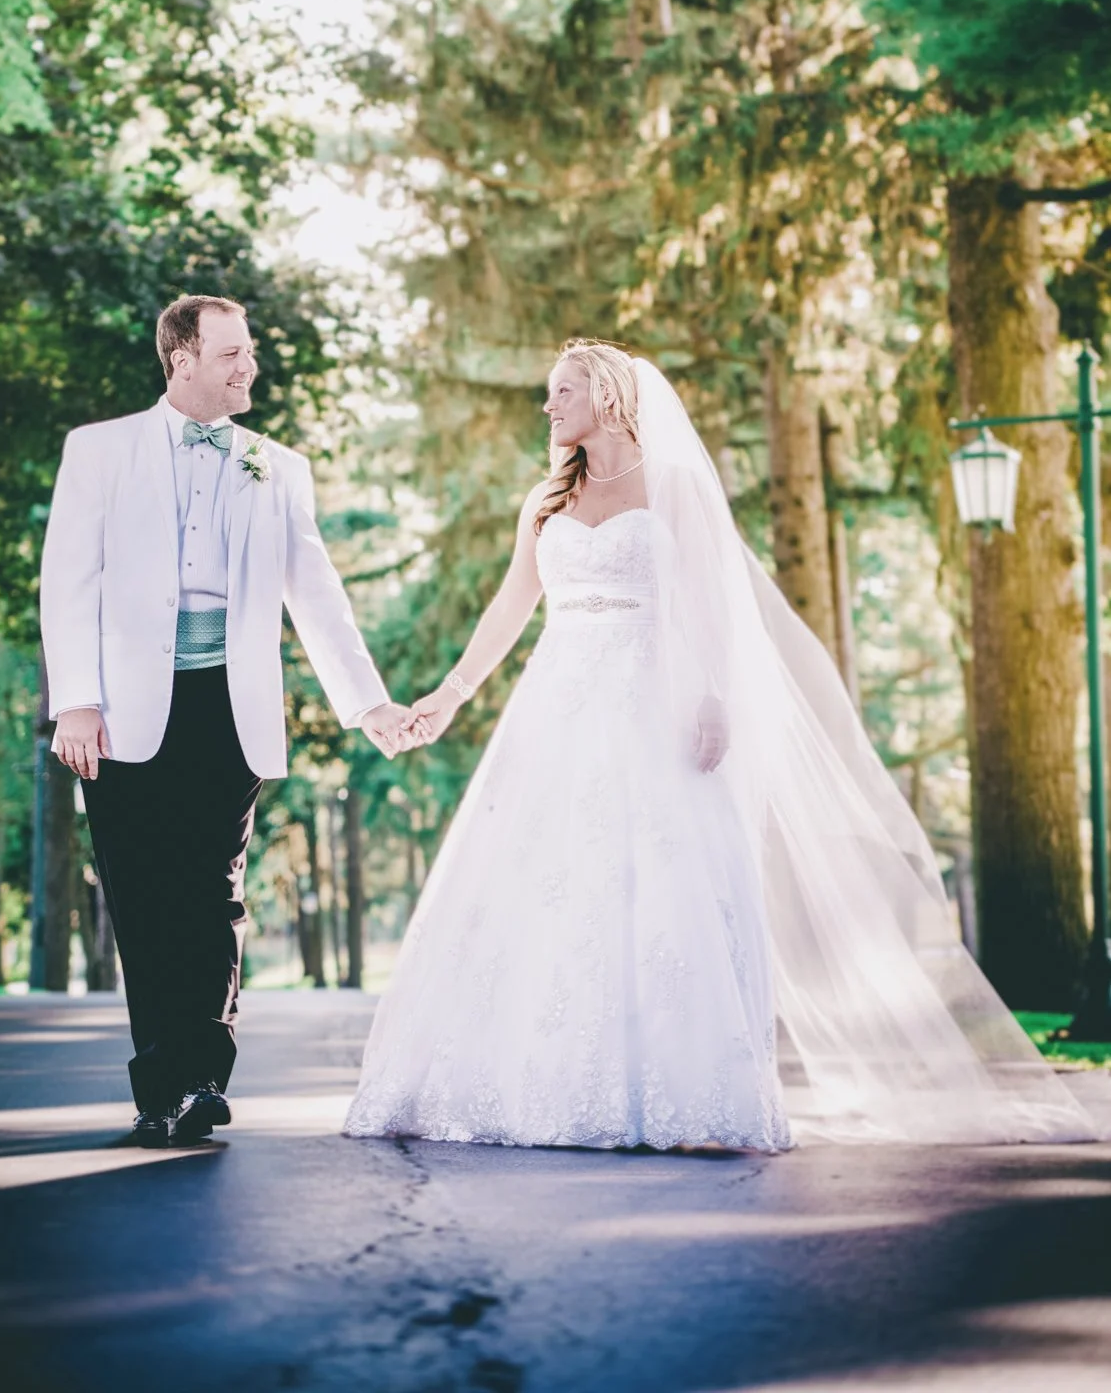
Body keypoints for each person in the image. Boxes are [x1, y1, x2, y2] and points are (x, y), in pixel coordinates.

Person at [345, 340, 1098, 1151]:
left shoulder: (672, 486)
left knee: (662, 881)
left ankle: (678, 1093)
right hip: (555, 707)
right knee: (548, 876)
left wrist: (710, 694)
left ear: (606, 397)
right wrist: (448, 699)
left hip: (651, 701)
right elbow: (508, 610)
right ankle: (540, 1084)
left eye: (562, 391)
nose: (548, 405)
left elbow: (711, 604)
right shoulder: (545, 499)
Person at [41, 294, 410, 1146]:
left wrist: (367, 703)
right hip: (121, 711)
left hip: (227, 710)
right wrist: (77, 702)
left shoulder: (276, 465)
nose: (249, 368)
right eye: (232, 354)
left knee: (214, 895)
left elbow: (315, 594)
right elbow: (69, 581)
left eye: (248, 354)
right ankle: (157, 1089)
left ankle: (204, 1080)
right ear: (181, 359)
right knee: (142, 898)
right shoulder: (97, 451)